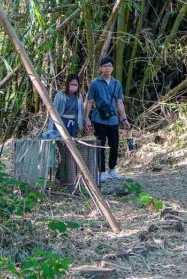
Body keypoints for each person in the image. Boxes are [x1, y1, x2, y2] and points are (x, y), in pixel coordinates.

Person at [84, 56, 131, 184]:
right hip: (99, 118)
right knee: (100, 145)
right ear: (100, 68)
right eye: (105, 66)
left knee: (114, 144)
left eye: (109, 66)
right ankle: (102, 172)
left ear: (113, 68)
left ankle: (112, 169)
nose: (107, 68)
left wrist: (124, 119)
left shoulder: (117, 83)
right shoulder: (95, 83)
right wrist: (86, 118)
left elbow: (120, 102)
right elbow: (90, 101)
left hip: (113, 118)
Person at [50, 74, 86, 139]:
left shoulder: (79, 96)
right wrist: (51, 127)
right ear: (67, 84)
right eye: (72, 84)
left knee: (72, 144)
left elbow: (81, 111)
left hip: (73, 125)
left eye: (76, 85)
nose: (74, 86)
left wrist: (83, 123)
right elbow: (53, 112)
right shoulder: (60, 95)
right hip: (61, 124)